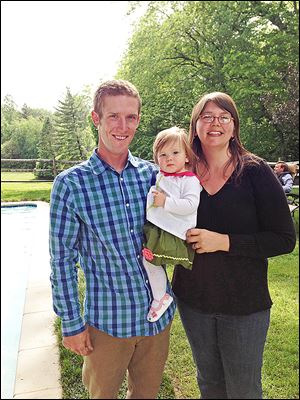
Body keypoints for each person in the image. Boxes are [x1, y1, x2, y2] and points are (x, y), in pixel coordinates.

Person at [49, 79, 176, 399]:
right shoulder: (71, 185)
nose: (123, 126)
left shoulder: (152, 175)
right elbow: (62, 260)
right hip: (108, 324)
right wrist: (71, 323)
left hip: (157, 322)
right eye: (113, 117)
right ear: (96, 119)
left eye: (131, 117)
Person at [172, 92, 296, 399]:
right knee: (209, 384)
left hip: (244, 304)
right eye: (207, 117)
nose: (215, 123)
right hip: (193, 299)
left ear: (234, 125)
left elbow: (284, 239)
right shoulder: (180, 173)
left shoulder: (254, 171)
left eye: (223, 117)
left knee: (243, 389)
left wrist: (223, 242)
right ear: (195, 125)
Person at [142, 126, 201, 322]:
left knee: (150, 260)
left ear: (186, 156)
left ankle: (161, 297)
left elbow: (191, 205)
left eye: (175, 153)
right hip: (161, 228)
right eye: (163, 154)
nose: (169, 158)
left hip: (174, 232)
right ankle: (160, 295)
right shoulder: (162, 176)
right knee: (149, 260)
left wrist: (165, 202)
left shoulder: (189, 180)